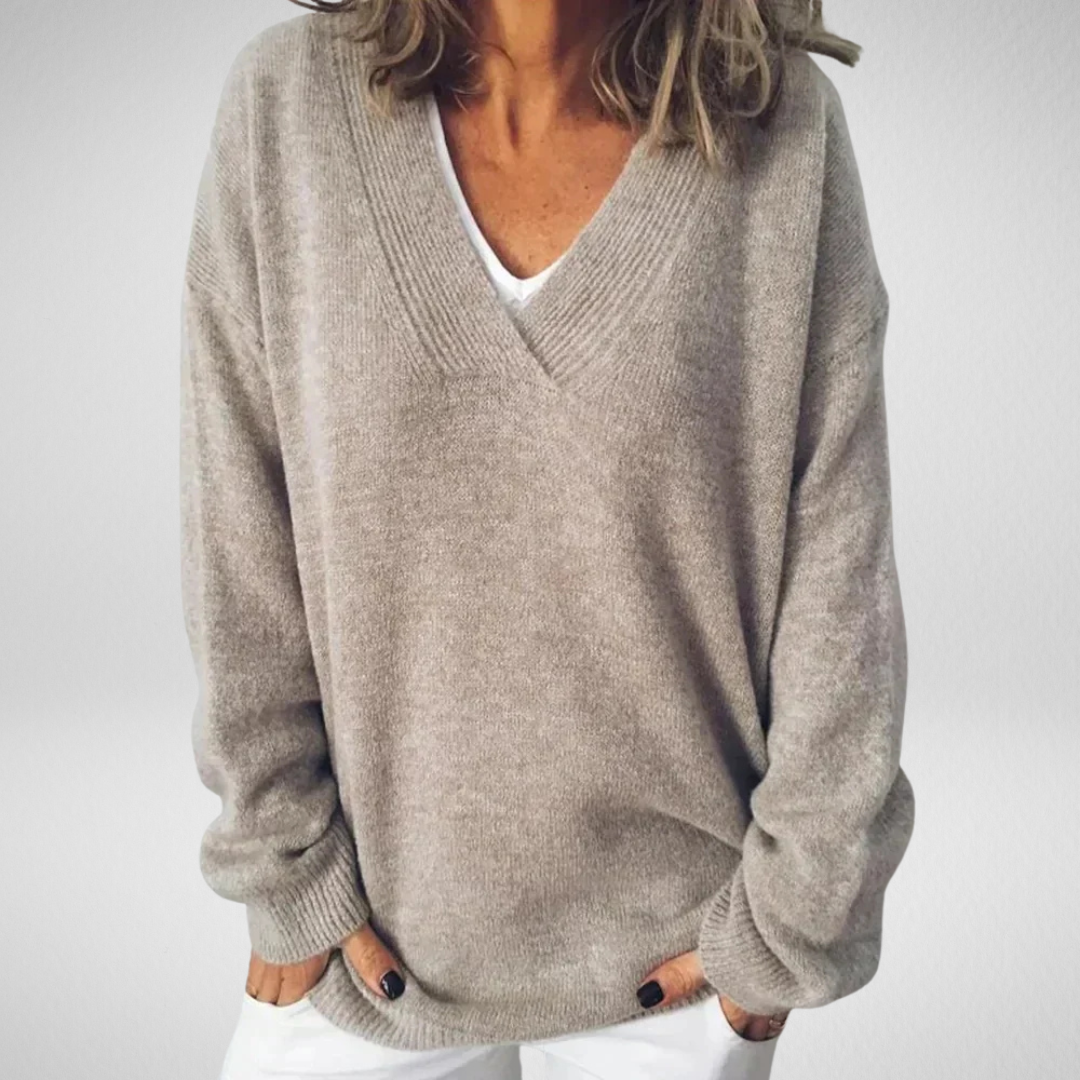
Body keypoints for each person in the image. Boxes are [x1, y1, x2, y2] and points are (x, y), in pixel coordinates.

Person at [178, 1, 916, 1077]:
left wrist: (784, 930)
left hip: (680, 965)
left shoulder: (778, 127)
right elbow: (238, 535)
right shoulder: (283, 111)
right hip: (360, 949)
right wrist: (286, 872)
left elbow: (840, 575)